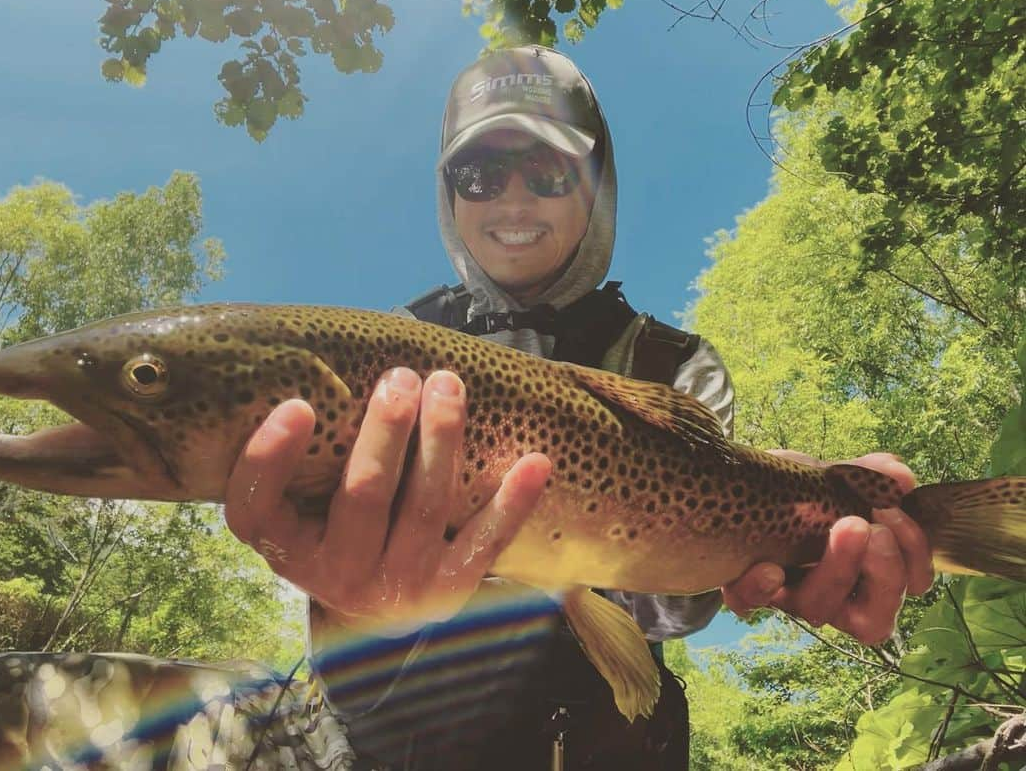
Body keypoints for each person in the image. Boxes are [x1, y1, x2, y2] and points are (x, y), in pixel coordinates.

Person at [224, 45, 935, 770]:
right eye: (479, 172)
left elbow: (671, 602)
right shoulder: (390, 353)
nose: (513, 198)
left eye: (549, 170)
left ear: (596, 185)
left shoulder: (674, 364)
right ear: (449, 194)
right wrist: (342, 602)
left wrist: (801, 522)